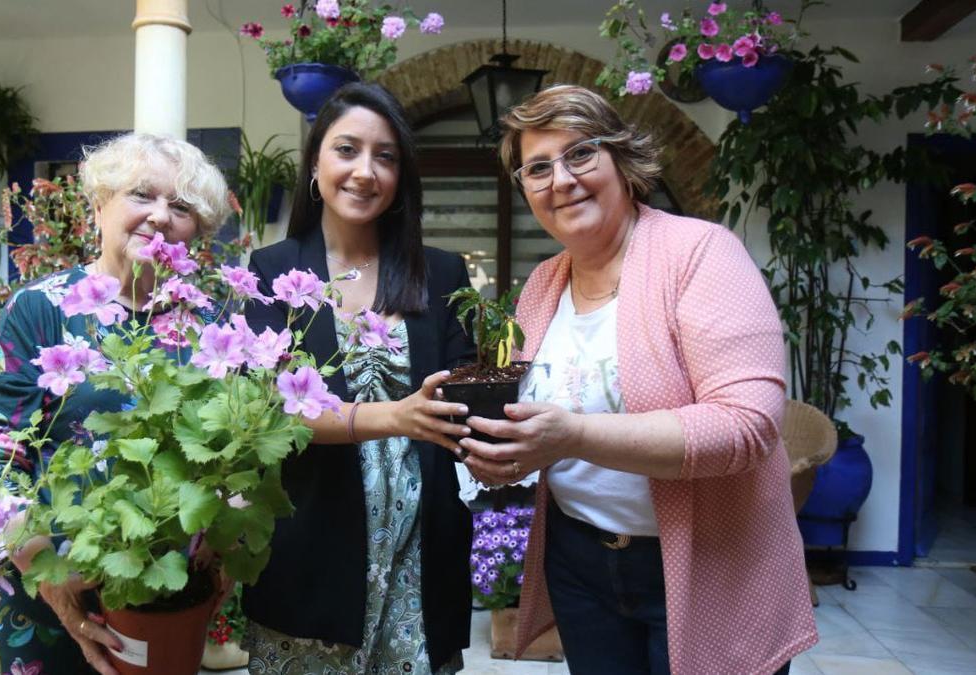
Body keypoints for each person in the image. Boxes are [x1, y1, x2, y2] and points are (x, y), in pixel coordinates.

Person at [459, 85, 818, 675]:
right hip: (579, 560)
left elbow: (747, 426)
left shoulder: (701, 254)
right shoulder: (543, 285)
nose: (562, 180)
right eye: (538, 168)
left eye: (581, 154)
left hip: (708, 561)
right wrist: (503, 453)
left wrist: (571, 435)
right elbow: (537, 417)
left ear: (622, 160)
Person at [0, 132, 231, 675]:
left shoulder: (209, 327)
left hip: (160, 597)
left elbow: (227, 459)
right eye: (141, 195)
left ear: (196, 232)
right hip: (37, 601)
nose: (160, 217)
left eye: (181, 207)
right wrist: (51, 576)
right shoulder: (37, 310)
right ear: (99, 204)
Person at [241, 82, 475, 674]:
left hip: (423, 552)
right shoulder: (273, 272)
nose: (365, 171)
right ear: (315, 164)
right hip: (310, 543)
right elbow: (271, 411)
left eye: (385, 156)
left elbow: (468, 397)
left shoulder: (441, 273)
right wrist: (396, 417)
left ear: (401, 178)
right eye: (347, 150)